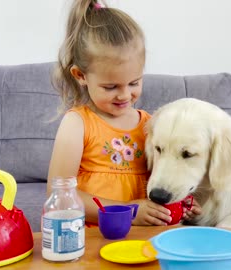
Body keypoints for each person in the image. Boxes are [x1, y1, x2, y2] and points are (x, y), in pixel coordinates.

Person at [48, 0, 201, 226]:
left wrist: (182, 201)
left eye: (134, 83)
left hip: (144, 238)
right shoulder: (77, 123)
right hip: (95, 236)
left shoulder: (151, 125)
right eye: (111, 87)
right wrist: (129, 211)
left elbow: (163, 179)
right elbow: (59, 197)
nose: (124, 95)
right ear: (80, 76)